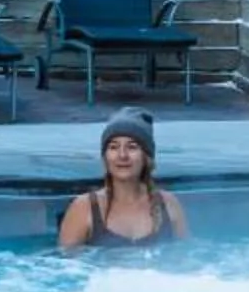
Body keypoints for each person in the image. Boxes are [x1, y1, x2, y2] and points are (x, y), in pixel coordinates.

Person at [58, 108, 189, 254]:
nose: (122, 155)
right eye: (113, 147)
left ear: (147, 157)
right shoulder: (84, 208)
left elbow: (185, 259)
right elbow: (65, 266)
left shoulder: (168, 204)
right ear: (105, 157)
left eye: (132, 147)